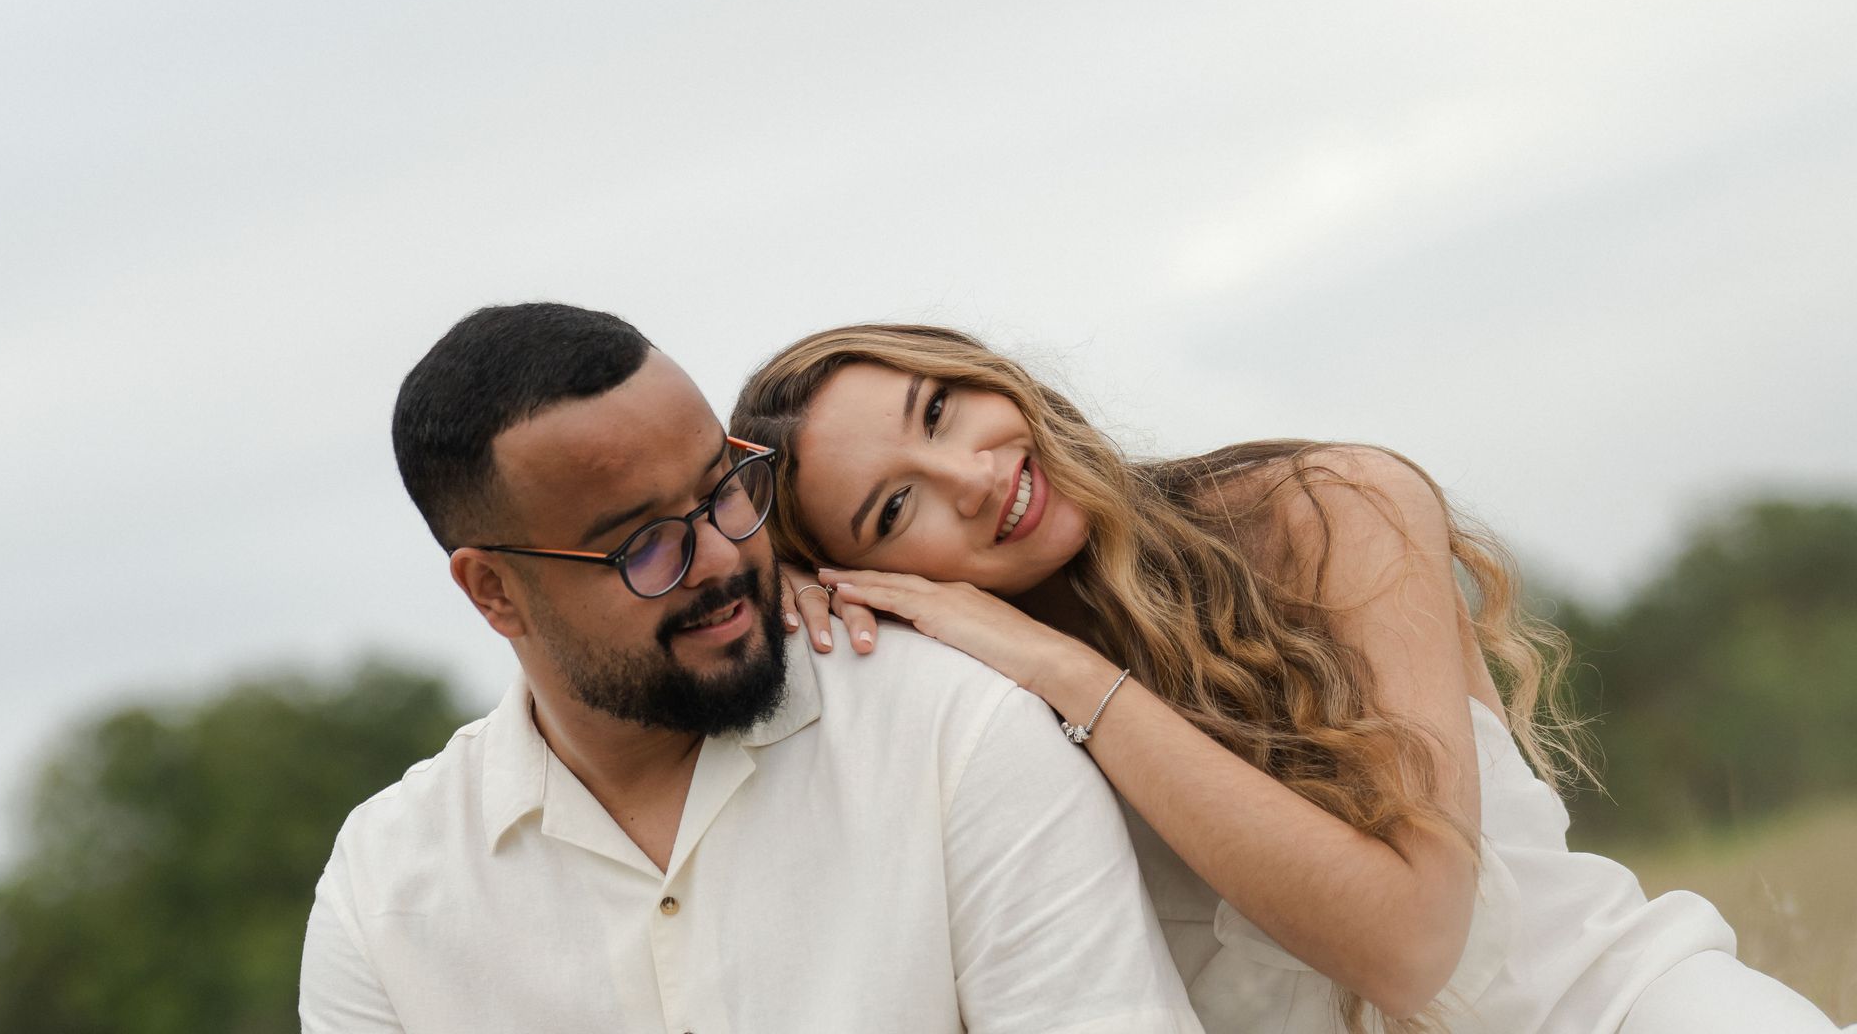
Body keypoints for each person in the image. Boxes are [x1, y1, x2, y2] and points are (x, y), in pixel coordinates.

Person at [730, 322, 1854, 1034]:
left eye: (939, 411)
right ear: (871, 580)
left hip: (1610, 1013)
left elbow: (1409, 948)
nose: (971, 477)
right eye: (897, 507)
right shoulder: (969, 713)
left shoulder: (1328, 510)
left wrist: (1072, 675)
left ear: (990, 376)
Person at [298, 304, 1202, 1033]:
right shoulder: (383, 892)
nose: (723, 556)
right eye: (644, 544)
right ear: (494, 592)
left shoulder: (958, 731)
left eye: (722, 488)